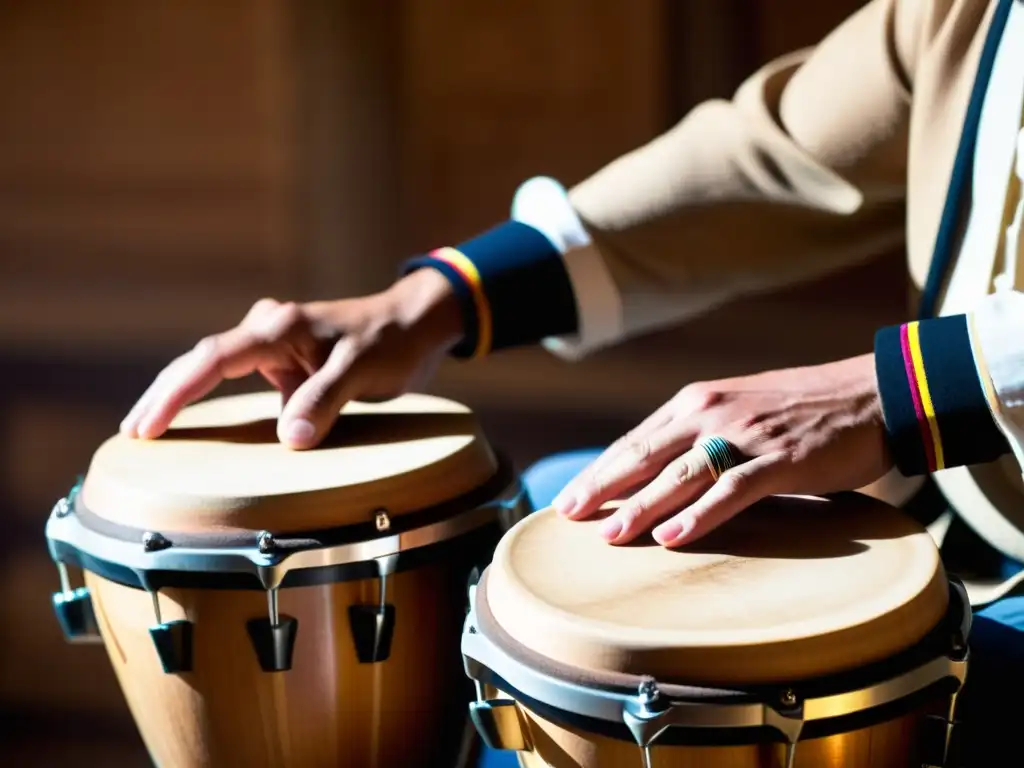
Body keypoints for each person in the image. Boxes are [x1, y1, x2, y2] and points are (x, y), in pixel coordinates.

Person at [122, 0, 1023, 761]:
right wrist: (437, 298)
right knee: (556, 528)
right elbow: (781, 153)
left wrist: (897, 391)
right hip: (945, 514)